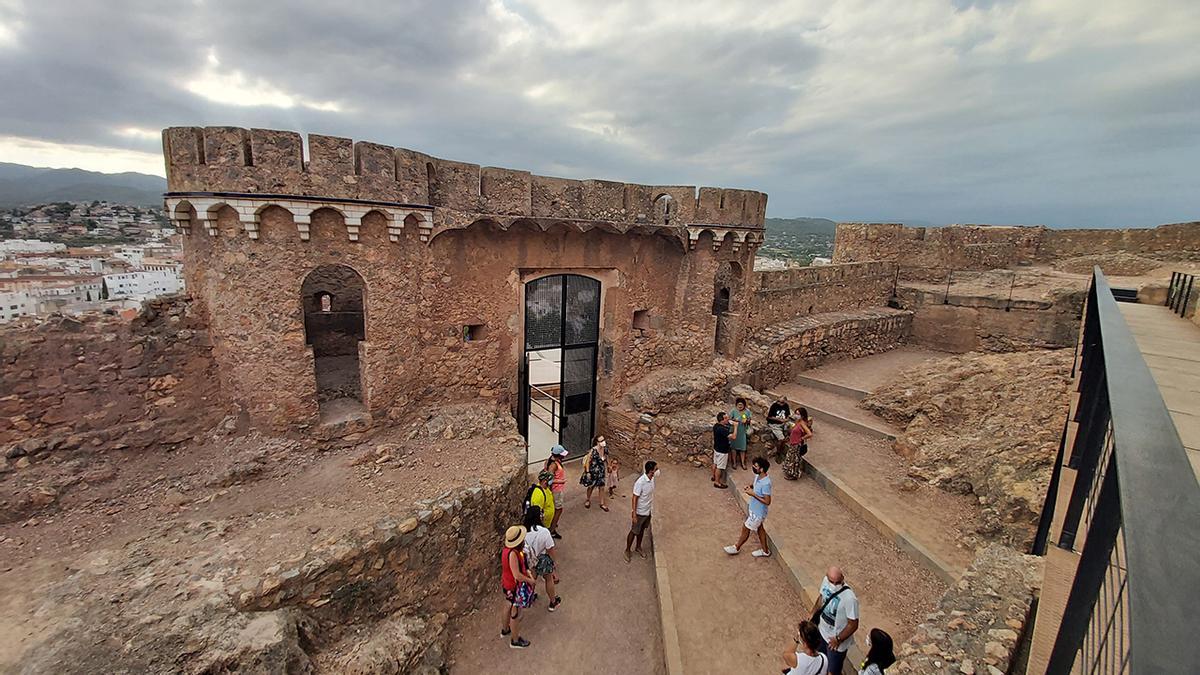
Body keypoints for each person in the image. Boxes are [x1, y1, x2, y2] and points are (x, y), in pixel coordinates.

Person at [810, 566, 860, 675]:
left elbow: (853, 624)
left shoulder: (850, 599)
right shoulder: (825, 582)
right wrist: (812, 615)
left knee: (833, 671)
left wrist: (838, 639)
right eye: (831, 581)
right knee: (820, 660)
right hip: (821, 631)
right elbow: (821, 598)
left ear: (842, 578)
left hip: (836, 642)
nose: (834, 585)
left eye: (837, 582)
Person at [723, 456, 773, 558]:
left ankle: (736, 547)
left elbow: (767, 501)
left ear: (762, 469)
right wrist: (750, 486)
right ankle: (765, 551)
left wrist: (753, 494)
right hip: (754, 509)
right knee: (760, 529)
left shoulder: (766, 483)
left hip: (758, 513)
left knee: (746, 528)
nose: (754, 468)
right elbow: (755, 485)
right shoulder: (758, 477)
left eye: (756, 466)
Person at [500, 525, 538, 649]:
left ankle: (505, 629)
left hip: (506, 583)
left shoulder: (506, 550)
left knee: (507, 604)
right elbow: (517, 575)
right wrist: (530, 580)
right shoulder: (513, 554)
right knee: (515, 613)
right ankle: (515, 640)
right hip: (514, 586)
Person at [522, 505, 562, 612]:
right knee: (549, 579)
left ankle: (530, 598)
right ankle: (553, 602)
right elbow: (550, 549)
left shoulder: (524, 532)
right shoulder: (544, 532)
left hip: (530, 559)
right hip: (543, 558)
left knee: (532, 579)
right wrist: (553, 564)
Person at [624, 460, 658, 563]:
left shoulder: (651, 479)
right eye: (656, 469)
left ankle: (638, 547)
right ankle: (627, 550)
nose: (657, 471)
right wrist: (634, 513)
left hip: (647, 511)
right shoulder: (640, 482)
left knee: (642, 530)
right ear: (651, 471)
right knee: (634, 531)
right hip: (639, 512)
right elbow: (634, 498)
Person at [579, 435, 609, 511]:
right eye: (601, 441)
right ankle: (588, 499)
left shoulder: (605, 449)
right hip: (593, 472)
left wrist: (608, 466)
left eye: (603, 440)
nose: (603, 442)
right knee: (591, 487)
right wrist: (588, 472)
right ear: (597, 442)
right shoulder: (593, 450)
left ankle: (602, 503)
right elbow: (588, 461)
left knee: (602, 487)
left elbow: (606, 458)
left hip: (601, 471)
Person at [545, 445, 568, 538]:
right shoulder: (553, 465)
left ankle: (552, 524)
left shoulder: (551, 461)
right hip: (556, 490)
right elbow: (549, 480)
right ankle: (552, 530)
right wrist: (561, 481)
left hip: (557, 490)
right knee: (558, 509)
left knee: (555, 508)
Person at [784, 408, 813, 480]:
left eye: (798, 414)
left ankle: (794, 474)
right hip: (793, 442)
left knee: (794, 459)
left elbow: (809, 434)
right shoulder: (798, 422)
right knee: (792, 458)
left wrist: (801, 439)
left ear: (802, 416)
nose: (796, 415)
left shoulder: (802, 423)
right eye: (796, 413)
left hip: (797, 444)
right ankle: (792, 473)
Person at [711, 411, 735, 488]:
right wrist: (736, 427)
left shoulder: (716, 426)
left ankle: (713, 476)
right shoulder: (722, 429)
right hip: (722, 451)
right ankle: (717, 482)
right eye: (726, 418)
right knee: (720, 467)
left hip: (716, 448)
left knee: (715, 463)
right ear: (722, 420)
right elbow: (733, 437)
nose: (728, 419)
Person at [729, 397, 752, 470]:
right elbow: (729, 419)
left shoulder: (747, 411)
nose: (740, 406)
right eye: (738, 405)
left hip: (742, 431)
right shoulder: (733, 410)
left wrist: (746, 421)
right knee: (734, 448)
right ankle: (734, 463)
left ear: (744, 405)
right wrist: (734, 420)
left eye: (741, 405)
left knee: (743, 448)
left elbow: (749, 420)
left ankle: (743, 463)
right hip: (735, 430)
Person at [767, 396, 792, 462]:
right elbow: (769, 417)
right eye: (779, 401)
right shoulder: (774, 406)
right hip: (775, 424)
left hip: (783, 423)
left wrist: (786, 420)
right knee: (781, 439)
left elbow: (788, 415)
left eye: (782, 402)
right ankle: (778, 453)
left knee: (792, 426)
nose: (780, 403)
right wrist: (779, 419)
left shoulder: (786, 406)